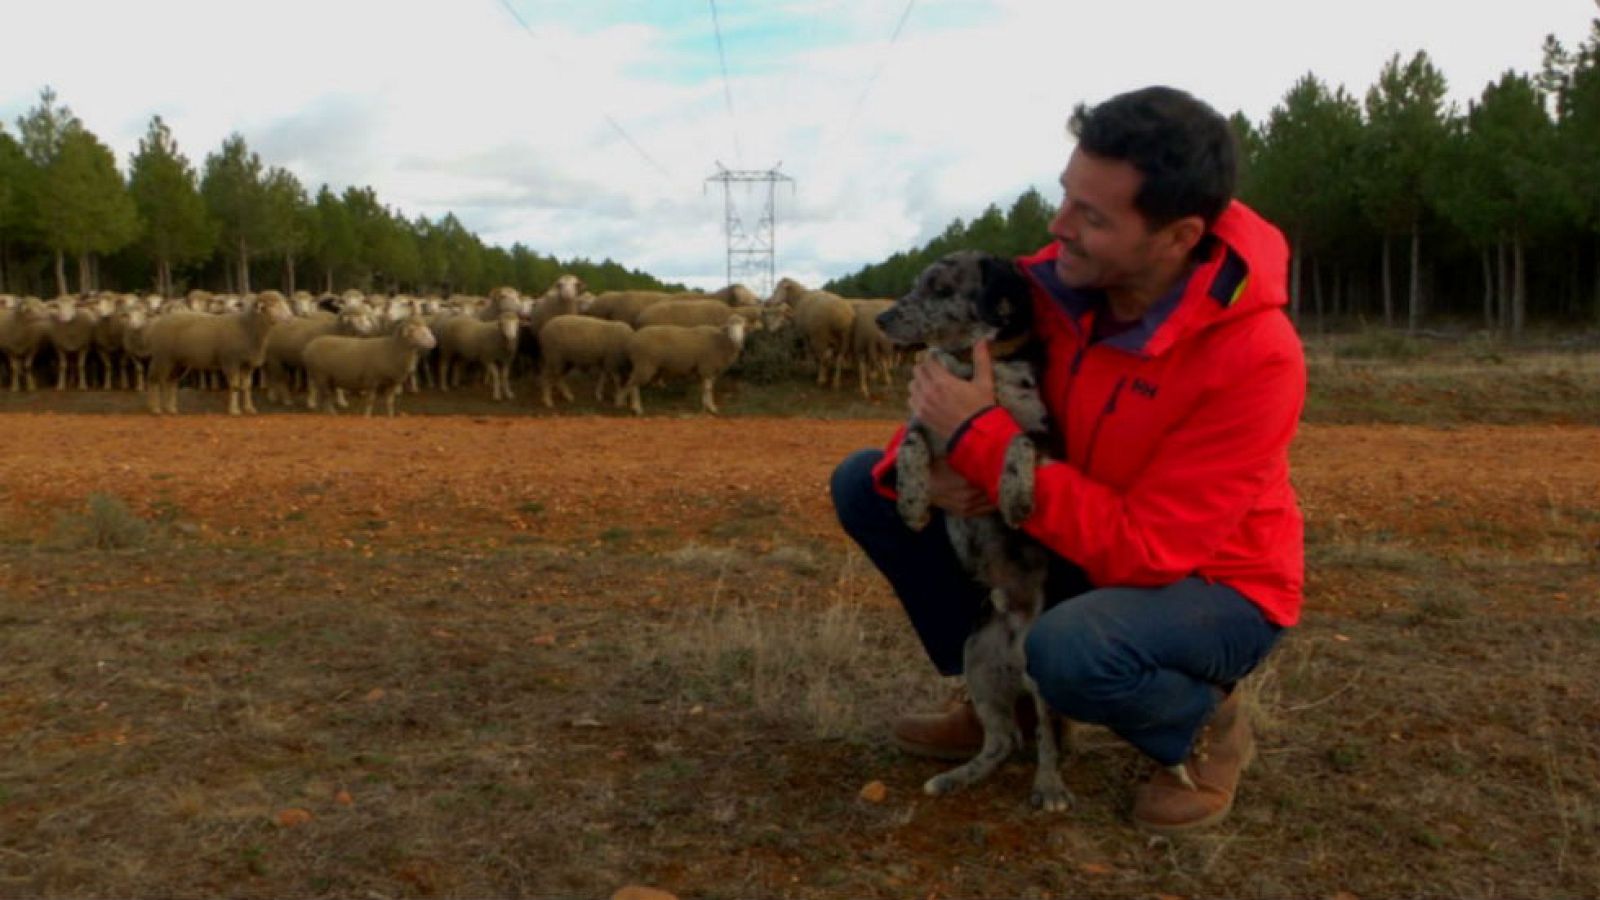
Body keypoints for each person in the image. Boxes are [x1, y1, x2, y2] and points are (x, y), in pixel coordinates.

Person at [830, 85, 1305, 834]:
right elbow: (950, 391)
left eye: (1092, 216)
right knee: (868, 484)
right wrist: (934, 464)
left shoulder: (1255, 356)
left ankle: (1204, 724)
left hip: (1208, 581)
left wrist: (984, 450)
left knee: (1074, 650)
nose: (1059, 228)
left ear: (1177, 237)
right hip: (1073, 527)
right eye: (1065, 198)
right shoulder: (1053, 284)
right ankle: (1004, 705)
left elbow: (1151, 549)